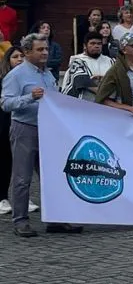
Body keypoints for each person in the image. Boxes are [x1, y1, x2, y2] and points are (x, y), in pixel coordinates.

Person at [1, 33, 83, 237]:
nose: (45, 52)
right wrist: (30, 97)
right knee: (22, 177)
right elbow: (6, 103)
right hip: (25, 128)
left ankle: (55, 219)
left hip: (48, 130)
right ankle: (20, 220)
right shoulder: (17, 75)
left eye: (46, 49)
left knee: (52, 176)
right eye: (40, 49)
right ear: (27, 52)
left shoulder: (48, 74)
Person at [0, 46, 24, 216]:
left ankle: (22, 198)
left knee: (21, 163)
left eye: (22, 56)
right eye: (15, 56)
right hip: (3, 123)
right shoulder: (3, 79)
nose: (20, 59)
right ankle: (2, 197)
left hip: (21, 123)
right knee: (4, 161)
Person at [60, 30, 115, 103]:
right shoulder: (77, 61)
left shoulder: (110, 61)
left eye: (99, 43)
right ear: (85, 46)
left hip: (108, 105)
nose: (96, 46)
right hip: (85, 104)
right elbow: (83, 81)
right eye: (92, 43)